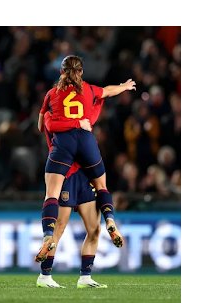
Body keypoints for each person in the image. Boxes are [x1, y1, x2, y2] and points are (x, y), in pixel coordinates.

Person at [35, 55, 135, 262]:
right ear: (80, 72)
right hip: (85, 156)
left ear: (62, 72)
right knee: (101, 193)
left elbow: (44, 125)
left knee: (55, 216)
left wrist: (49, 117)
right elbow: (107, 91)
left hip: (66, 165)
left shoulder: (52, 95)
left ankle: (47, 248)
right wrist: (124, 86)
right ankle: (111, 221)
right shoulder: (89, 93)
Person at [36, 97, 121, 289]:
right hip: (65, 175)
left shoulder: (78, 114)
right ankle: (45, 276)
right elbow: (44, 124)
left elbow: (97, 103)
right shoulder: (52, 118)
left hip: (85, 177)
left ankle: (85, 277)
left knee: (94, 229)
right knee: (58, 229)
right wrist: (78, 123)